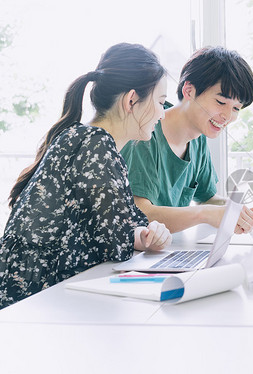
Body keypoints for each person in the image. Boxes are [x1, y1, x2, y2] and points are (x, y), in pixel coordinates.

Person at [0, 43, 173, 309]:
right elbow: (115, 245)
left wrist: (146, 235)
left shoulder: (84, 138)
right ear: (130, 100)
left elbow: (113, 232)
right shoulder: (95, 145)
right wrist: (142, 237)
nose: (162, 113)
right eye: (160, 102)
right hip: (33, 302)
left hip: (37, 295)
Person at [121, 46, 253, 234]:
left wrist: (237, 210)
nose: (227, 116)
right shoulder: (144, 134)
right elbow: (140, 214)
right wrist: (205, 214)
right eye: (221, 102)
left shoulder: (198, 138)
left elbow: (207, 198)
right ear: (189, 90)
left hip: (166, 251)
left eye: (236, 108)